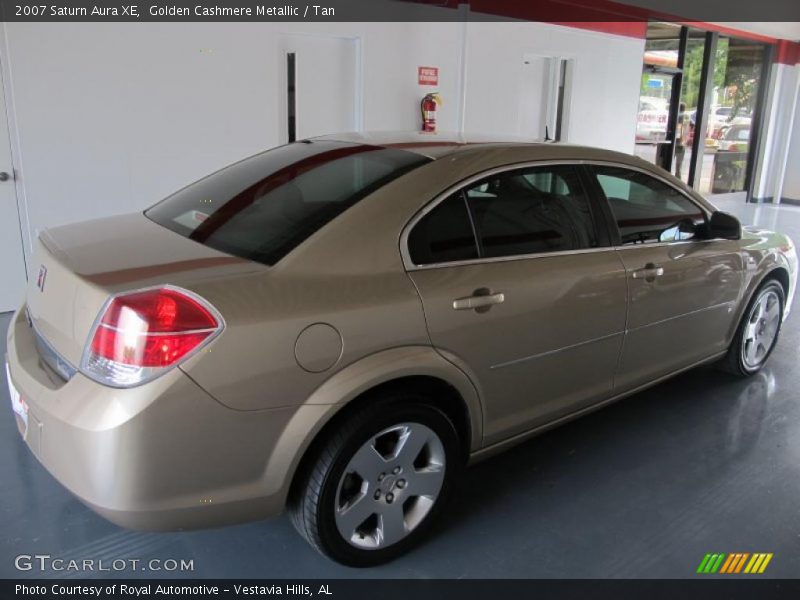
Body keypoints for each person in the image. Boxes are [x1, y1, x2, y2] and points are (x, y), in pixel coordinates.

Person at [674, 102, 688, 180]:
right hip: (681, 144)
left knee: (677, 164)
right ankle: (677, 178)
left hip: (677, 143)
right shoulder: (684, 118)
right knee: (679, 165)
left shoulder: (679, 117)